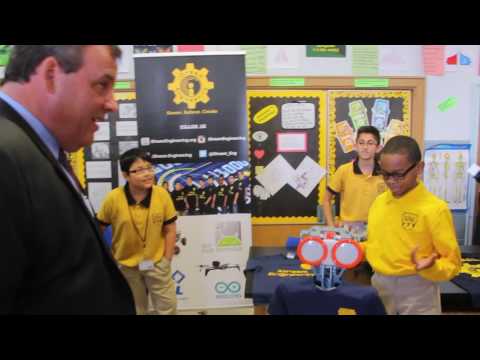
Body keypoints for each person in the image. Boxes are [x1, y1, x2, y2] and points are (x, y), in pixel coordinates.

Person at [0, 45, 135, 314]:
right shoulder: (6, 156)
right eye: (102, 85)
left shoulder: (32, 148)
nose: (113, 103)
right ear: (51, 74)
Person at [364, 135, 461, 315]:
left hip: (418, 288)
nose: (391, 181)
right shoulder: (379, 203)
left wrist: (431, 268)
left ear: (419, 168)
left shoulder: (435, 209)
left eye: (399, 174)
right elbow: (376, 244)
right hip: (379, 285)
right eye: (385, 174)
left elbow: (453, 263)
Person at [97, 148, 177, 315]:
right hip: (126, 266)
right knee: (135, 309)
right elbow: (99, 228)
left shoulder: (161, 195)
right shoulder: (113, 198)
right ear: (126, 175)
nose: (147, 174)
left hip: (156, 263)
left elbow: (170, 229)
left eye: (149, 168)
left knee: (167, 308)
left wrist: (166, 260)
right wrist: (108, 260)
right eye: (139, 170)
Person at [323, 125, 385, 231]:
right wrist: (331, 227)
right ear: (355, 146)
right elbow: (326, 200)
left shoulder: (386, 173)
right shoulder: (344, 171)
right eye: (361, 143)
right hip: (348, 231)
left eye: (370, 143)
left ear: (378, 148)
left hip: (377, 230)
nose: (365, 147)